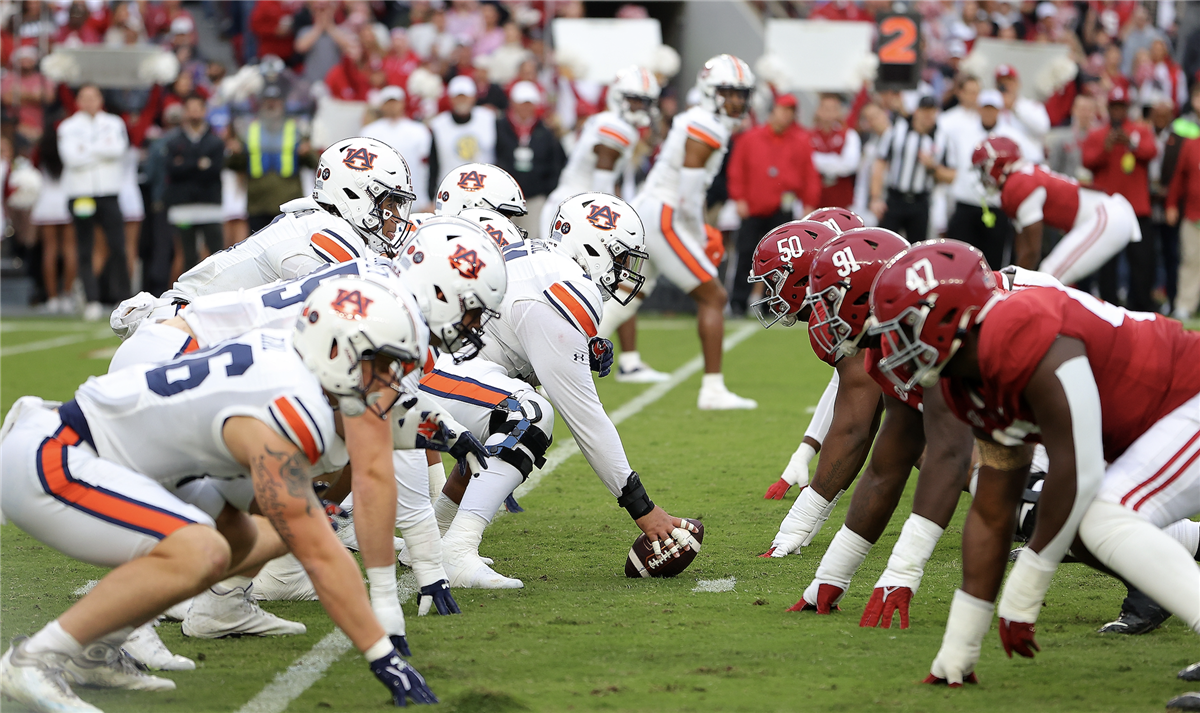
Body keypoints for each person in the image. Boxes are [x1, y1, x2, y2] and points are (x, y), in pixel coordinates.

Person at [0, 277, 439, 712]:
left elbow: (277, 507)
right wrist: (381, 653)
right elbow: (321, 554)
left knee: (247, 538)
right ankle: (33, 660)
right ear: (335, 351)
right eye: (381, 365)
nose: (389, 381)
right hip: (56, 456)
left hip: (108, 458)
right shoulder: (289, 405)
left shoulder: (288, 364)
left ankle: (93, 649)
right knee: (202, 549)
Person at [869, 241, 1200, 712]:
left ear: (947, 315)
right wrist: (959, 647)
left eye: (904, 327)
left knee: (1102, 515)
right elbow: (992, 509)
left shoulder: (1020, 329)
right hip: (1165, 419)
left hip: (1187, 397)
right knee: (1087, 514)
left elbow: (1080, 471)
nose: (892, 347)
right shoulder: (969, 380)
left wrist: (1025, 591)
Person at [423, 193, 700, 588]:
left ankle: (432, 541)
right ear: (593, 247)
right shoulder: (564, 285)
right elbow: (586, 419)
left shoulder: (538, 260)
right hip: (422, 369)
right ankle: (457, 552)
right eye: (620, 258)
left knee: (504, 419)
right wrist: (643, 509)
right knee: (528, 417)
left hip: (429, 361)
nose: (624, 272)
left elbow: (504, 352)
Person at [607, 54, 760, 410]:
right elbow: (690, 195)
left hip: (652, 210)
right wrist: (701, 234)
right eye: (728, 92)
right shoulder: (706, 125)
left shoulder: (701, 120)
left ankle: (561, 366)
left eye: (741, 93)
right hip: (665, 213)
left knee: (627, 295)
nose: (736, 101)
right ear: (710, 92)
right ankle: (713, 389)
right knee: (714, 296)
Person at [975, 136, 1140, 286]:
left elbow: (1032, 251)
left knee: (1048, 277)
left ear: (999, 164)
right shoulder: (1020, 178)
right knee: (1050, 279)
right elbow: (1024, 246)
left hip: (1106, 216)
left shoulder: (1018, 184)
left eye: (983, 168)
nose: (982, 175)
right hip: (1102, 215)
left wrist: (1010, 286)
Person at [724, 93, 821, 318]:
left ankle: (773, 303)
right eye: (783, 109)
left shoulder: (800, 141)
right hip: (754, 208)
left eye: (790, 111)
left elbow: (809, 175)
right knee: (746, 254)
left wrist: (809, 203)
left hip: (782, 209)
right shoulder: (750, 138)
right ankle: (738, 301)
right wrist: (738, 198)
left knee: (781, 261)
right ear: (772, 111)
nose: (786, 115)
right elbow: (736, 170)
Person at [58, 84, 131, 321]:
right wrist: (102, 151)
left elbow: (119, 150)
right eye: (84, 97)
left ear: (101, 99)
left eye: (93, 97)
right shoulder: (69, 126)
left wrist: (87, 150)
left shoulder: (113, 123)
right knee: (85, 247)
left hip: (108, 191)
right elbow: (71, 158)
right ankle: (91, 299)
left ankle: (124, 297)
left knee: (118, 245)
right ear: (77, 101)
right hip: (81, 194)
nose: (89, 102)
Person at [1081, 85, 1157, 311]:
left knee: (1142, 263)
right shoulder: (1098, 134)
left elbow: (1150, 152)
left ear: (1127, 108)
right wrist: (1107, 147)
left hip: (1137, 209)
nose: (1117, 112)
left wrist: (1130, 143)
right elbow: (1088, 161)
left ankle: (1141, 307)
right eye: (1114, 107)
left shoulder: (1139, 131)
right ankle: (1108, 307)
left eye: (1121, 107)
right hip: (1109, 210)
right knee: (1107, 263)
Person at [942, 88, 1023, 269]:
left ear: (999, 110)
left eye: (992, 108)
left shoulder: (1012, 136)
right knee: (958, 262)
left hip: (995, 207)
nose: (988, 112)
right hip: (966, 205)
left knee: (992, 264)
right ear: (978, 108)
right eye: (985, 108)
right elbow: (953, 166)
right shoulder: (962, 132)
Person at [225, 82, 317, 234]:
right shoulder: (249, 131)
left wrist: (307, 153)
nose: (271, 105)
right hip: (257, 205)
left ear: (283, 104)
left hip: (289, 204)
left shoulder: (296, 130)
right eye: (268, 101)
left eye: (275, 101)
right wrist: (235, 153)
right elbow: (234, 165)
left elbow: (313, 163)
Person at [869, 95, 951, 242]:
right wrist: (875, 198)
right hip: (895, 198)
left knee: (917, 247)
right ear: (917, 111)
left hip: (921, 202)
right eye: (925, 111)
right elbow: (880, 164)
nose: (928, 115)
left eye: (932, 112)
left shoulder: (940, 138)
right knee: (885, 244)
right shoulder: (896, 132)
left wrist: (933, 167)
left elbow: (950, 176)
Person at [494, 81, 564, 237]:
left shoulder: (545, 132)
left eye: (529, 104)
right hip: (504, 198)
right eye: (522, 104)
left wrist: (546, 191)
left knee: (531, 240)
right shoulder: (499, 127)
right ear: (513, 104)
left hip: (534, 198)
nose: (526, 108)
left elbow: (555, 163)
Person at [164, 94, 225, 272]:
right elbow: (172, 170)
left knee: (216, 253)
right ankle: (185, 296)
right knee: (186, 255)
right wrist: (199, 164)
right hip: (183, 206)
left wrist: (185, 164)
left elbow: (214, 170)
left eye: (197, 109)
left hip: (209, 205)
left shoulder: (215, 142)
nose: (194, 114)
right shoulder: (174, 141)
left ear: (204, 111)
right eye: (190, 109)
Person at [362, 86, 434, 213]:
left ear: (402, 103)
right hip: (380, 201)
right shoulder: (369, 132)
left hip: (415, 199)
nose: (392, 106)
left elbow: (429, 167)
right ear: (382, 106)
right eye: (388, 103)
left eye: (395, 102)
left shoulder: (418, 131)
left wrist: (427, 199)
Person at [429, 75, 497, 185]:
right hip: (450, 188)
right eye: (458, 97)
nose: (462, 101)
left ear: (473, 97)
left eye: (465, 97)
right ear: (450, 99)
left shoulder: (488, 118)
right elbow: (433, 164)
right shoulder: (438, 125)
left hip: (486, 186)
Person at [810, 93, 861, 210]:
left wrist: (819, 161)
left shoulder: (849, 134)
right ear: (818, 110)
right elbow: (805, 163)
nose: (829, 113)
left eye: (833, 109)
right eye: (825, 108)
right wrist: (835, 160)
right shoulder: (808, 136)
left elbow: (850, 165)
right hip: (816, 198)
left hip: (841, 198)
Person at [993, 64, 1050, 163]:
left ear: (1018, 83)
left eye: (1010, 81)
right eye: (1002, 83)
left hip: (1030, 162)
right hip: (1002, 164)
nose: (1006, 86)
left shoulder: (1032, 106)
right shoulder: (992, 109)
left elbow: (1043, 128)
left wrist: (1014, 108)